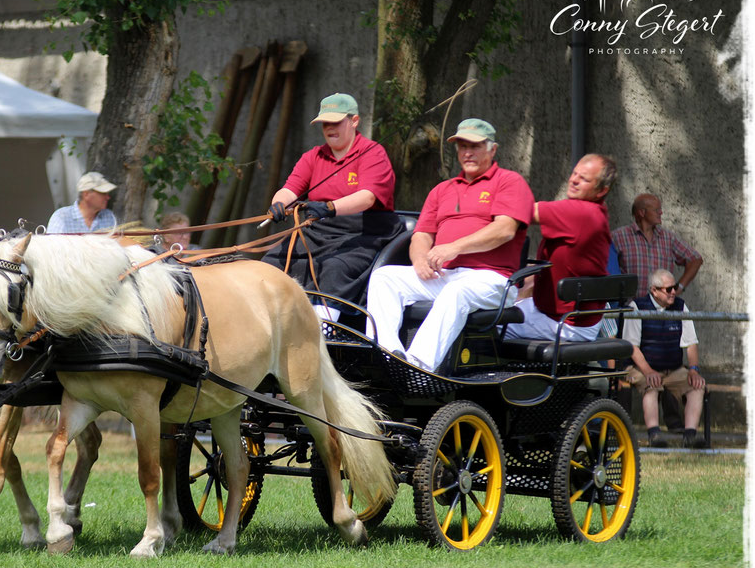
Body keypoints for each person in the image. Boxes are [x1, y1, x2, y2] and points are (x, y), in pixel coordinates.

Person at [365, 118, 533, 371]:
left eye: (475, 146)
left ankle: (417, 366)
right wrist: (420, 260)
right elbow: (422, 234)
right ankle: (387, 356)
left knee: (456, 292)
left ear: (492, 149)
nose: (467, 152)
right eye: (462, 146)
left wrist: (455, 247)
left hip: (491, 279)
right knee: (385, 277)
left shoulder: (509, 181)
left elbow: (505, 230)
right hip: (445, 275)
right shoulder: (442, 189)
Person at [261, 92, 404, 318]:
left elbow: (367, 197)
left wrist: (330, 208)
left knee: (335, 267)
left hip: (364, 234)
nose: (330, 128)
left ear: (354, 121)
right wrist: (278, 203)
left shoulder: (373, 153)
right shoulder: (313, 156)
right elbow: (290, 188)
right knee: (270, 262)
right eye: (325, 123)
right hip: (319, 230)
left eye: (336, 122)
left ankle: (324, 332)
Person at [612, 193, 703, 430]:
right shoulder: (620, 237)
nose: (661, 213)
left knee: (667, 361)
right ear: (641, 212)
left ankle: (674, 426)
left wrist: (678, 288)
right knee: (626, 369)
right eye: (656, 209)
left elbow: (694, 258)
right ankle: (620, 425)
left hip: (663, 312)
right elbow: (608, 267)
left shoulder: (668, 238)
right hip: (633, 313)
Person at [504, 154, 616, 341]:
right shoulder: (593, 212)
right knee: (491, 311)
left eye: (585, 179)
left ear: (601, 191)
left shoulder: (582, 212)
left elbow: (524, 212)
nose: (574, 181)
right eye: (574, 174)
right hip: (559, 313)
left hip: (569, 322)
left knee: (485, 327)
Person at [623, 268, 707, 448]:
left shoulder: (681, 306)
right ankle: (655, 435)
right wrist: (648, 371)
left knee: (697, 387)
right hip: (641, 368)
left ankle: (690, 435)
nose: (674, 292)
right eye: (668, 289)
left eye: (675, 287)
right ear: (654, 290)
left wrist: (693, 369)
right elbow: (632, 347)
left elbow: (691, 343)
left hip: (674, 369)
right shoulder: (637, 307)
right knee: (651, 385)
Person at [46, 171, 118, 233]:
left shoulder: (109, 216)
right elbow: (53, 248)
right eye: (103, 193)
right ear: (86, 194)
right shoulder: (61, 217)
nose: (108, 197)